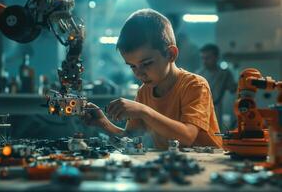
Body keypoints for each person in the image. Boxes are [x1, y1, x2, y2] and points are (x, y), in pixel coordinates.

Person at [83, 9, 222, 149]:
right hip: (173, 165)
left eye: (146, 63)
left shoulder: (194, 85)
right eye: (133, 66)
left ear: (170, 54)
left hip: (207, 164)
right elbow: (131, 137)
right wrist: (103, 122)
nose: (139, 73)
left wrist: (144, 111)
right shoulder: (144, 92)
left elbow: (187, 137)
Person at [196, 44, 237, 131]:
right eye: (203, 58)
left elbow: (233, 89)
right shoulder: (198, 74)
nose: (204, 61)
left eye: (207, 58)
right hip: (200, 110)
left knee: (216, 134)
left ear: (216, 57)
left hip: (217, 110)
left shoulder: (225, 74)